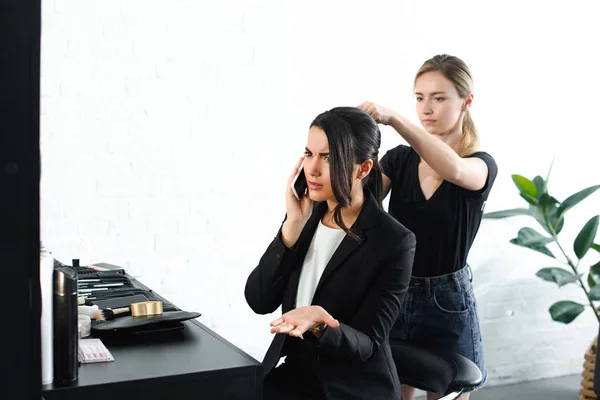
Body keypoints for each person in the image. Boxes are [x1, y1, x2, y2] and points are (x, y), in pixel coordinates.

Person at [244, 107, 416, 400]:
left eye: (329, 158)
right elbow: (259, 300)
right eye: (309, 154)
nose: (312, 169)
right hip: (297, 375)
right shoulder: (305, 216)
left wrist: (321, 325)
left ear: (363, 169)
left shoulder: (394, 241)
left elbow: (368, 344)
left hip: (352, 387)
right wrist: (291, 228)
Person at [358, 54, 498, 400]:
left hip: (448, 302)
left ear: (466, 101)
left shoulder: (479, 165)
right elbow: (358, 202)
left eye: (439, 98)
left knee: (448, 393)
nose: (427, 108)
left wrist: (396, 119)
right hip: (395, 290)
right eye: (419, 98)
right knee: (391, 390)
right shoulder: (399, 160)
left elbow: (454, 170)